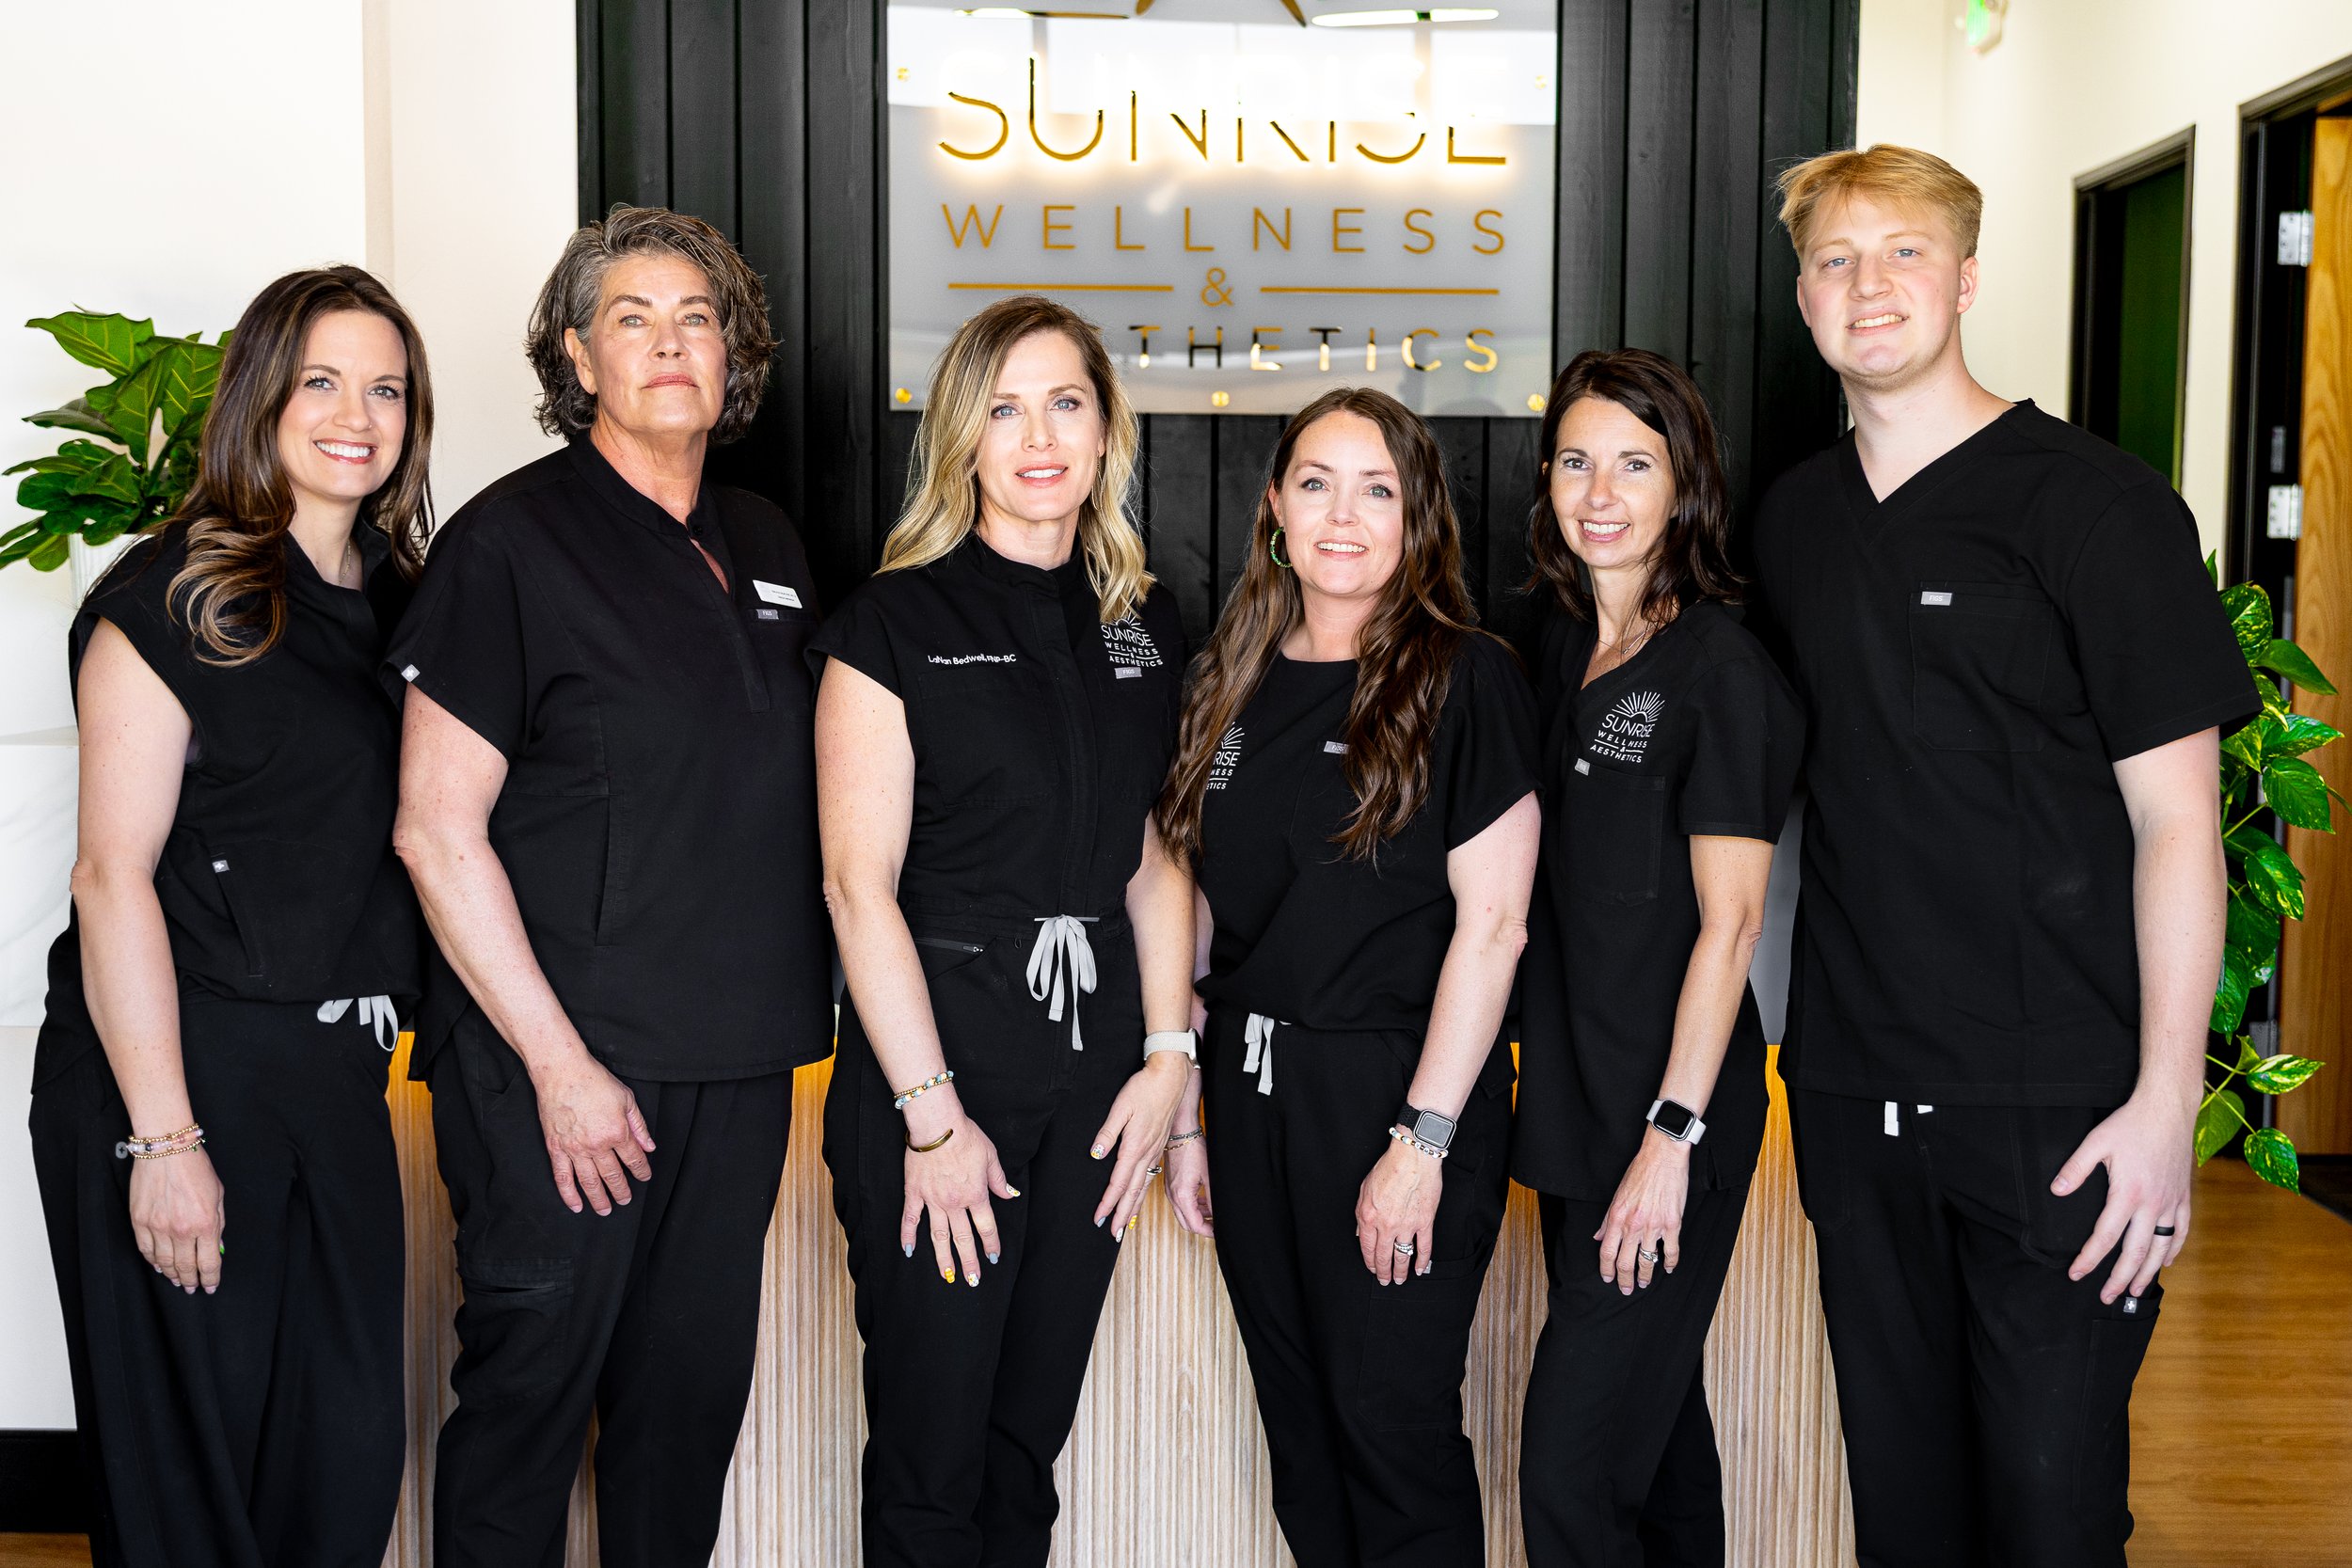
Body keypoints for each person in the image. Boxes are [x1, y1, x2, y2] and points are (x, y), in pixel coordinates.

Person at [1751, 146, 2251, 1567]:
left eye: (1905, 253)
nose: (1872, 286)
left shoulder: (2099, 510)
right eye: (1839, 259)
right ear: (1802, 297)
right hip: (1856, 1100)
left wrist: (2168, 1100)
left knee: (2049, 1514)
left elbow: (2176, 825)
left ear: (1967, 278)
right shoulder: (1794, 523)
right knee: (1905, 1517)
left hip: (2060, 1109)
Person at [387, 206, 832, 1568]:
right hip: (562, 1073)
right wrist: (560, 1066)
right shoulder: (506, 545)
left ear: (732, 354)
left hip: (741, 1062)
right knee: (529, 1399)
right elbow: (433, 829)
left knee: (684, 1413)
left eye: (696, 317)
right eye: (632, 319)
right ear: (579, 357)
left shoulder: (767, 537)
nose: (669, 343)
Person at [27, 266, 433, 1568]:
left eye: (385, 386)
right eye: (320, 380)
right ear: (261, 396)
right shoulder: (172, 599)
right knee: (193, 1474)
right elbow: (110, 875)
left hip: (334, 1072)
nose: (354, 414)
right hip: (176, 1063)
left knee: (346, 1444)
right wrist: (164, 1139)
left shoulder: (412, 603)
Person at [810, 295, 1196, 1567]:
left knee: (1025, 1451)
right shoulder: (892, 622)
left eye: (1066, 403)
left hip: (1089, 1086)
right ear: (965, 436)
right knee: (933, 1461)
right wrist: (929, 1116)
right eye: (1007, 405)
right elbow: (858, 887)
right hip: (940, 1076)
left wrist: (1167, 1062)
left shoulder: (1144, 625)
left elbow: (1153, 857)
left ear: (1104, 432)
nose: (1039, 435)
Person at [1154, 387, 1540, 1568]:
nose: (1343, 515)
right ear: (1274, 505)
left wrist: (1420, 1141)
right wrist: (1187, 1115)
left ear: (1418, 516)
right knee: (1304, 1432)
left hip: (1393, 1098)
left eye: (1378, 489)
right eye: (1316, 482)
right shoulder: (1235, 672)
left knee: (1392, 1428)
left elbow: (1496, 924)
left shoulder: (1464, 676)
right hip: (1252, 1091)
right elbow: (1206, 903)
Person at [1508, 349, 1804, 1567]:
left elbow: (1730, 922)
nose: (1601, 491)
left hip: (1666, 1117)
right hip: (1575, 1095)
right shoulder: (1558, 640)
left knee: (1569, 1469)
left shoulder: (1721, 668)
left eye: (1635, 462)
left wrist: (1670, 1141)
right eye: (1577, 460)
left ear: (1685, 485)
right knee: (1661, 1434)